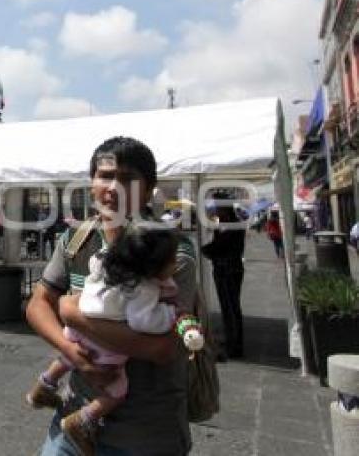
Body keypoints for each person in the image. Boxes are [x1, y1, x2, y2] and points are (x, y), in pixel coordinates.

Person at [26, 136, 198, 455]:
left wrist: (73, 314)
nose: (114, 187)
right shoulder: (75, 240)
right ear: (91, 183)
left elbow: (162, 348)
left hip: (144, 434)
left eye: (128, 178)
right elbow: (38, 303)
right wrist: (72, 352)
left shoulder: (170, 253)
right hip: (71, 421)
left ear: (148, 190)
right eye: (105, 176)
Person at [201, 194, 246, 359]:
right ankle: (232, 341)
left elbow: (220, 246)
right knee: (228, 308)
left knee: (230, 308)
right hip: (225, 269)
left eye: (218, 207)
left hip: (228, 269)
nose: (216, 211)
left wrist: (205, 250)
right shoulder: (227, 224)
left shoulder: (232, 226)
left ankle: (235, 346)